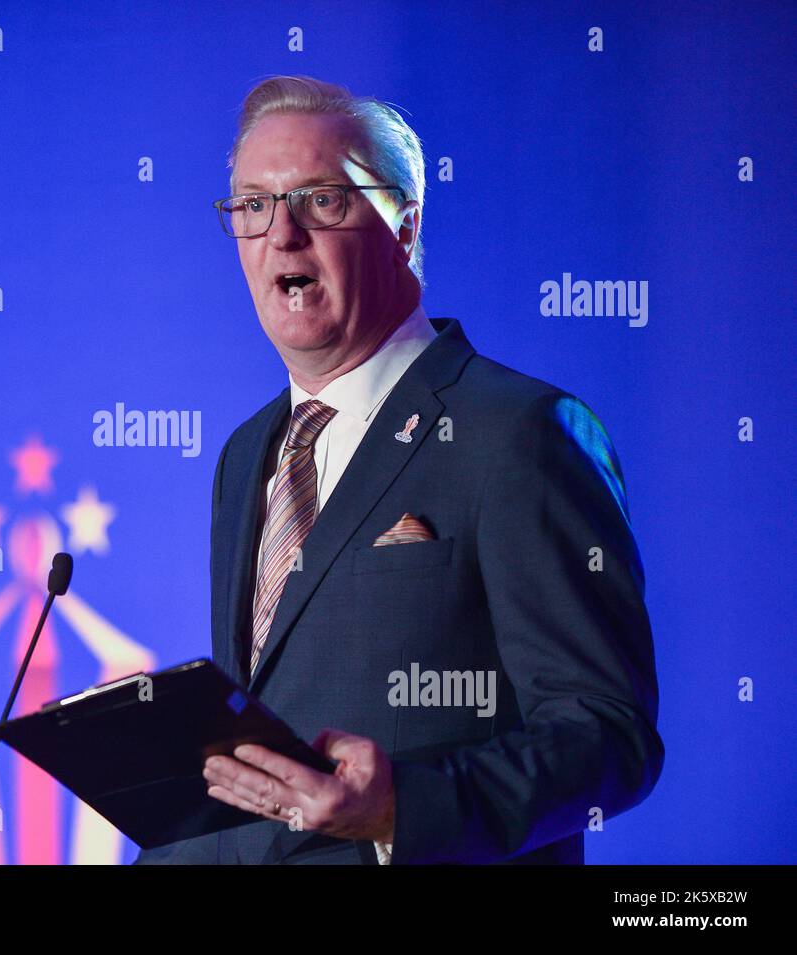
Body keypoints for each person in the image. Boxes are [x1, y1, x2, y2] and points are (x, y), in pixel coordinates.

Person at [135, 75, 663, 864]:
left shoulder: (518, 433)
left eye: (321, 199)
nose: (282, 234)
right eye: (253, 205)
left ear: (404, 225)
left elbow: (607, 734)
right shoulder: (246, 455)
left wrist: (399, 810)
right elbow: (262, 771)